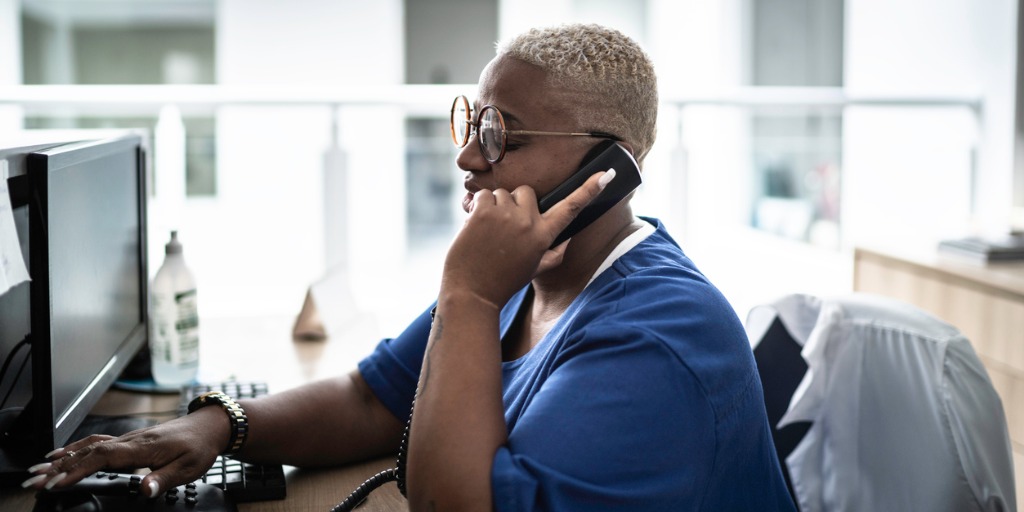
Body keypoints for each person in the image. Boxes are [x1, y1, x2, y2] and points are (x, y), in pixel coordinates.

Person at [23, 23, 796, 511]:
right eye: (473, 121)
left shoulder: (658, 337)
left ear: (610, 167)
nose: (467, 157)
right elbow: (375, 398)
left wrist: (465, 292)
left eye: (502, 134)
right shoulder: (528, 274)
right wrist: (217, 425)